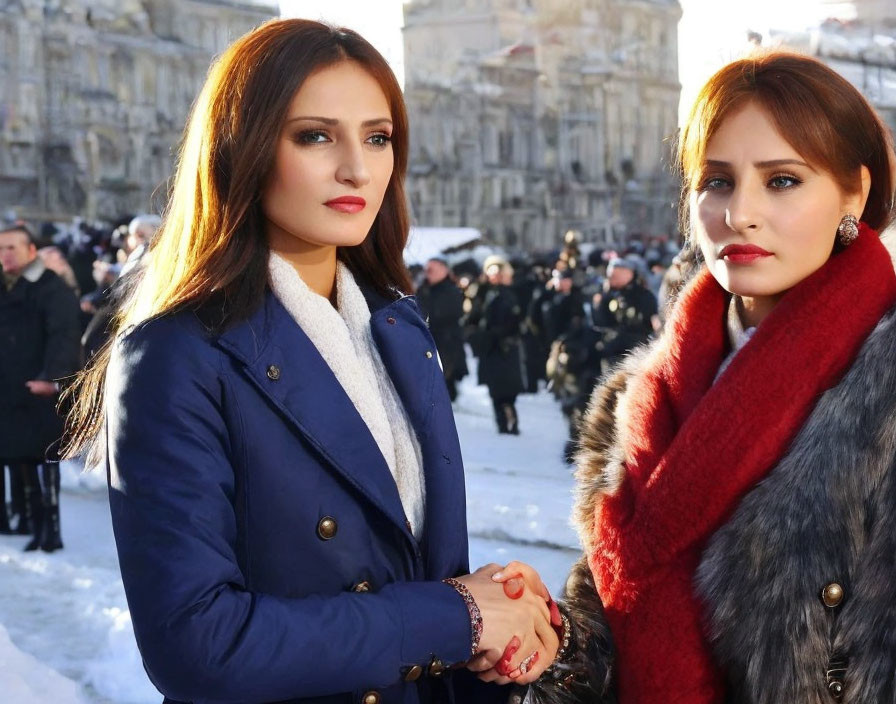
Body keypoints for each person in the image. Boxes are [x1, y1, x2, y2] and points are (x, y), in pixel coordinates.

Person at [63, 20, 560, 704]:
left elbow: (419, 578)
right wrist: (458, 617)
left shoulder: (399, 331)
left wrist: (504, 630)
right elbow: (199, 645)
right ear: (243, 147)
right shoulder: (175, 355)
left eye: (378, 137)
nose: (358, 167)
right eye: (316, 135)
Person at [508, 50, 896, 703]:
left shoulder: (882, 397)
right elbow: (607, 619)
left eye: (781, 181)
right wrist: (549, 645)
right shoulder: (635, 399)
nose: (739, 213)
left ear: (853, 193)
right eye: (716, 181)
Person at [0, 224, 81, 549]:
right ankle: (31, 524)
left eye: (11, 248)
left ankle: (50, 531)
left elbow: (64, 337)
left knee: (43, 460)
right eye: (0, 248)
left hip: (38, 390)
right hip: (10, 388)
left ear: (31, 250)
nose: (5, 255)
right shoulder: (6, 287)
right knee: (19, 460)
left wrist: (53, 378)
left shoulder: (51, 288)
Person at [476, 256, 525, 434]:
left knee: (505, 390)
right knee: (496, 389)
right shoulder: (487, 292)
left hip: (503, 348)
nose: (492, 276)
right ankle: (503, 421)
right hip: (492, 347)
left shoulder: (507, 295)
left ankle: (508, 422)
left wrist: (491, 335)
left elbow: (510, 322)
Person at [590, 257, 658, 369]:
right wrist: (601, 300)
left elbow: (647, 325)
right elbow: (599, 322)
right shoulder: (607, 295)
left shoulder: (643, 295)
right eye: (610, 276)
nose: (611, 279)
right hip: (611, 354)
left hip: (635, 355)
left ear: (628, 273)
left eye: (615, 276)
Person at [415, 257, 467, 401]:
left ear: (443, 270)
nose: (428, 273)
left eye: (432, 269)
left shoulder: (451, 290)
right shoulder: (423, 289)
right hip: (429, 342)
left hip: (447, 344)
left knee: (445, 385)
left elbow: (444, 313)